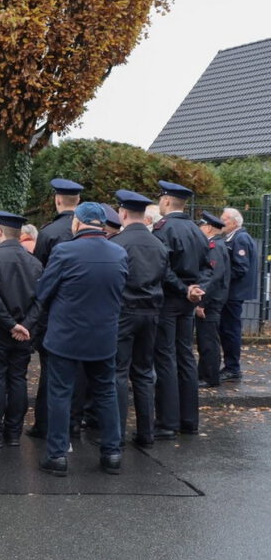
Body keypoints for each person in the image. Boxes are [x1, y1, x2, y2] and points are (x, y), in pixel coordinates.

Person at [36, 202, 127, 477]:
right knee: (106, 393)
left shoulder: (65, 251)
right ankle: (112, 453)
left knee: (60, 394)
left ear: (77, 222)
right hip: (103, 337)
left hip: (66, 336)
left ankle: (57, 455)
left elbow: (43, 291)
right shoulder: (119, 253)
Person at [0, 212, 42, 449]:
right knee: (17, 379)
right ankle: (13, 432)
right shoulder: (34, 262)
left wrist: (11, 324)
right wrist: (25, 325)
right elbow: (41, 300)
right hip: (23, 332)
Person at [109, 190, 169, 449]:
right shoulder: (158, 244)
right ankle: (146, 433)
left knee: (119, 373)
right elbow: (164, 276)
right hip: (151, 313)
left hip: (124, 312)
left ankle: (117, 434)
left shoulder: (117, 243)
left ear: (123, 213)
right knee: (144, 373)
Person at [152, 180, 211, 438]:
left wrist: (184, 289)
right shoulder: (197, 231)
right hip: (188, 301)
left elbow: (162, 268)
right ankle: (189, 420)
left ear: (166, 201)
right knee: (185, 356)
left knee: (166, 357)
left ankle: (167, 422)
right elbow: (208, 266)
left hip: (169, 299)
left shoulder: (163, 229)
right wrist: (197, 289)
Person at [26, 178, 83, 440]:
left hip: (54, 312)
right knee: (80, 368)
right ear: (78, 202)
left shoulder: (48, 233)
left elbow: (38, 275)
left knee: (51, 370)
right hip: (83, 312)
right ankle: (74, 422)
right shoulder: (88, 232)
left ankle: (45, 423)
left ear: (57, 200)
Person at [219, 207, 257, 381]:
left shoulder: (240, 238)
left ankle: (233, 368)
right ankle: (231, 366)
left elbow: (240, 268)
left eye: (224, 219)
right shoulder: (234, 237)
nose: (221, 222)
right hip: (232, 292)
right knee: (227, 329)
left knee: (230, 330)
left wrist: (220, 277)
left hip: (233, 293)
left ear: (234, 222)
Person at [196, 212, 230, 388]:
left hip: (211, 302)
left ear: (208, 228)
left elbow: (213, 278)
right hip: (213, 300)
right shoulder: (217, 245)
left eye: (201, 226)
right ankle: (204, 374)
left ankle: (210, 377)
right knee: (206, 339)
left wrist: (202, 303)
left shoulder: (214, 247)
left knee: (208, 341)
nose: (199, 230)